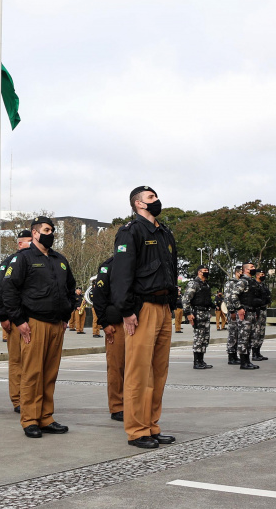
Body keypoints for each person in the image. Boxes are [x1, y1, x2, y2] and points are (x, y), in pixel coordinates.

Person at [111, 186, 178, 449]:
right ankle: (137, 430)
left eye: (156, 196)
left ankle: (152, 425)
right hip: (142, 308)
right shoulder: (131, 231)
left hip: (163, 307)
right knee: (139, 372)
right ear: (138, 204)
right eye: (151, 198)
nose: (157, 201)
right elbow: (122, 274)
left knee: (158, 372)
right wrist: (127, 310)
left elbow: (170, 270)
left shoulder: (164, 233)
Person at [2, 216, 76, 439]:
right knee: (32, 374)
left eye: (52, 230)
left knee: (49, 374)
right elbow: (9, 290)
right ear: (34, 233)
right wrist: (19, 320)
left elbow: (70, 289)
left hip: (56, 325)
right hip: (33, 324)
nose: (50, 233)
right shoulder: (22, 259)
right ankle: (30, 419)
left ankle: (46, 417)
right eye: (46, 229)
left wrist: (66, 314)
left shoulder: (59, 259)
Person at [0, 230, 33, 414]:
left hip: (35, 319)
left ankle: (31, 397)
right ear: (20, 244)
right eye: (29, 241)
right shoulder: (10, 262)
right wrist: (3, 316)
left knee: (32, 363)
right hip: (17, 320)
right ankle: (18, 399)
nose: (33, 244)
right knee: (17, 361)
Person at [92, 256, 124, 421]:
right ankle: (117, 406)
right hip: (116, 325)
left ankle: (132, 403)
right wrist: (104, 323)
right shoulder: (108, 266)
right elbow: (98, 296)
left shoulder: (137, 264)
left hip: (137, 322)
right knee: (116, 366)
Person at [226, 263, 263, 370]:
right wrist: (239, 308)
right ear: (246, 270)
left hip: (252, 312)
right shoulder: (243, 281)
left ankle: (247, 360)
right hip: (245, 313)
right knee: (244, 338)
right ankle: (243, 362)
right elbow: (233, 295)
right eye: (251, 267)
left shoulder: (252, 282)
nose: (254, 269)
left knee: (250, 337)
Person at [182, 266, 214, 370]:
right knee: (199, 338)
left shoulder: (206, 285)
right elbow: (186, 299)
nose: (207, 272)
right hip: (197, 312)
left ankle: (201, 360)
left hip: (205, 312)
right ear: (199, 272)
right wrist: (188, 313)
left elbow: (207, 299)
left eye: (207, 270)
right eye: (204, 271)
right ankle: (196, 362)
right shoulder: (194, 283)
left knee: (205, 338)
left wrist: (214, 306)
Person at [251, 268, 272, 361]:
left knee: (262, 332)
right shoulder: (253, 285)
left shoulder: (263, 286)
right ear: (257, 275)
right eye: (261, 274)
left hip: (263, 309)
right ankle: (254, 353)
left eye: (264, 274)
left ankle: (258, 352)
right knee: (256, 332)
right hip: (257, 310)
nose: (263, 276)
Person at [224, 266, 242, 365]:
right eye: (241, 272)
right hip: (234, 312)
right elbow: (227, 298)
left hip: (241, 312)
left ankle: (235, 355)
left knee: (239, 334)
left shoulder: (243, 283)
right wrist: (231, 311)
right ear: (237, 272)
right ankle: (231, 356)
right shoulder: (231, 283)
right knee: (232, 334)